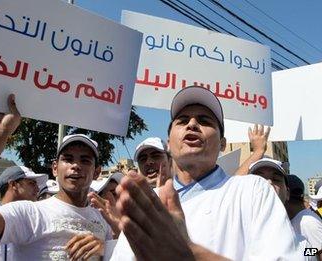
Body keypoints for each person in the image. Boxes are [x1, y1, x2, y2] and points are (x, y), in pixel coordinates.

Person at [111, 86, 299, 260]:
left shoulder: (252, 190)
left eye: (204, 121)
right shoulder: (147, 203)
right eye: (182, 121)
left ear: (223, 144)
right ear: (169, 142)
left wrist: (187, 252)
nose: (192, 124)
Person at [0, 94, 112, 260]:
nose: (75, 165)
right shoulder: (30, 214)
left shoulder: (103, 221)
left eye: (85, 160)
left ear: (97, 172)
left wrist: (108, 251)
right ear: (54, 168)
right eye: (67, 159)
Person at [286, 174, 322, 258]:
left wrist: (301, 251)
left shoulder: (307, 222)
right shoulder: (299, 219)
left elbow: (318, 253)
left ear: (286, 194)